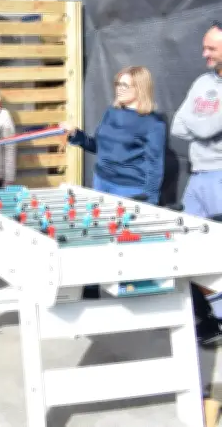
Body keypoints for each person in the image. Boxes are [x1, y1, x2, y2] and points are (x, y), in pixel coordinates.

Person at [171, 22, 222, 348]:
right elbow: (178, 124)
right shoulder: (202, 82)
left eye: (211, 48)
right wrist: (200, 123)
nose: (204, 54)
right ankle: (215, 317)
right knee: (191, 251)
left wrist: (197, 122)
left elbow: (203, 129)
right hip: (198, 177)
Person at [64, 66, 166, 205]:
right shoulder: (111, 112)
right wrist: (76, 135)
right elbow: (98, 146)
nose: (119, 88)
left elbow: (155, 166)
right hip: (101, 182)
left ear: (140, 88)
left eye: (125, 85)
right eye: (118, 84)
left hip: (129, 190)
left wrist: (150, 200)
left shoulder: (153, 123)